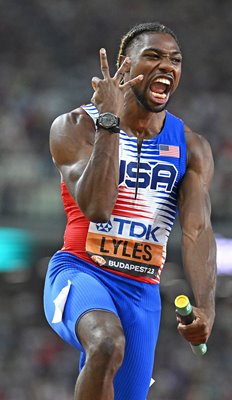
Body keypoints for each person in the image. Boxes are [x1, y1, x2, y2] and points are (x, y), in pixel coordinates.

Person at [43, 22, 217, 400]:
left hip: (142, 291)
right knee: (106, 343)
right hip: (80, 270)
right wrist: (110, 121)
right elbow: (98, 208)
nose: (167, 66)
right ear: (124, 66)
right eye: (153, 56)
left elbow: (197, 230)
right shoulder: (77, 126)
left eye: (175, 60)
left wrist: (207, 306)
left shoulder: (192, 147)